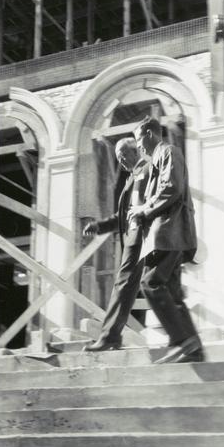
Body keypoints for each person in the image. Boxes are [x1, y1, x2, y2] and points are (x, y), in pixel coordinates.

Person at [129, 116, 205, 364]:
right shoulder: (159, 159)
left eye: (139, 140)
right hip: (169, 233)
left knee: (150, 282)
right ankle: (192, 349)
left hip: (169, 232)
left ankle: (182, 341)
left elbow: (171, 187)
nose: (139, 146)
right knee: (172, 291)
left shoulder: (168, 152)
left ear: (150, 135)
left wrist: (144, 210)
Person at [82, 137, 149, 352]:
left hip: (143, 237)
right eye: (117, 157)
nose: (120, 161)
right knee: (152, 287)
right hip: (142, 236)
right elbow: (123, 215)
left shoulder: (146, 172)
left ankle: (110, 337)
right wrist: (100, 226)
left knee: (126, 284)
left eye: (123, 155)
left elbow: (147, 207)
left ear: (135, 152)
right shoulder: (134, 177)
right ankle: (184, 338)